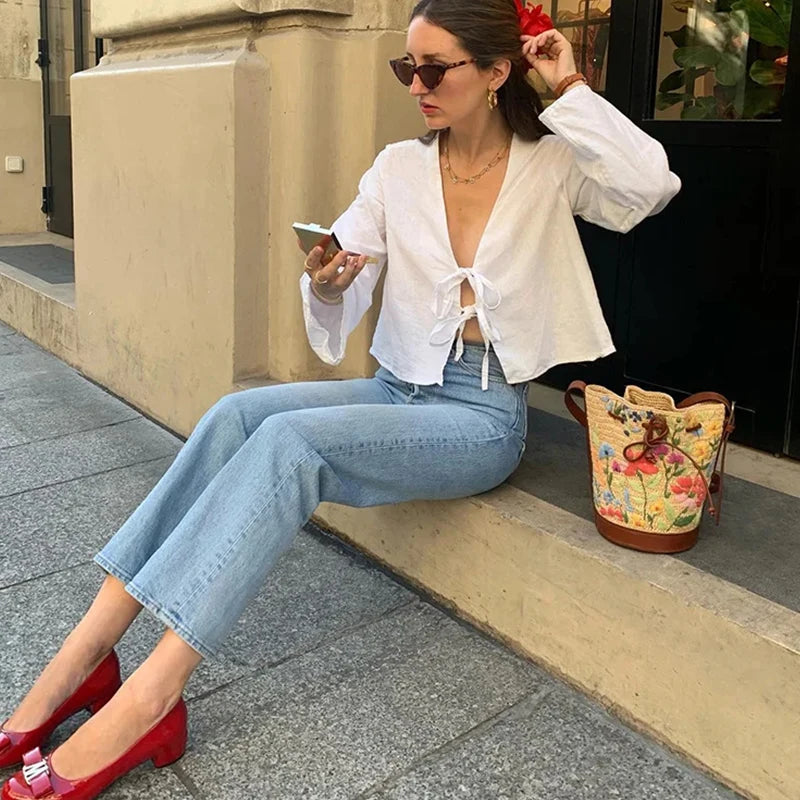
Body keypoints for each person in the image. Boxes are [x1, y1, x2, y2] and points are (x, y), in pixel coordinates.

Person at [0, 0, 680, 797]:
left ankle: (151, 697)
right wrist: (326, 283)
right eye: (406, 67)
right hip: (397, 387)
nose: (416, 85)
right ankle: (86, 653)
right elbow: (339, 268)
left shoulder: (552, 163)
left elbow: (650, 186)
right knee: (235, 415)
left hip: (481, 414)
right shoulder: (397, 169)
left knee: (292, 446)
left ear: (498, 72)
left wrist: (567, 87)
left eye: (434, 69)